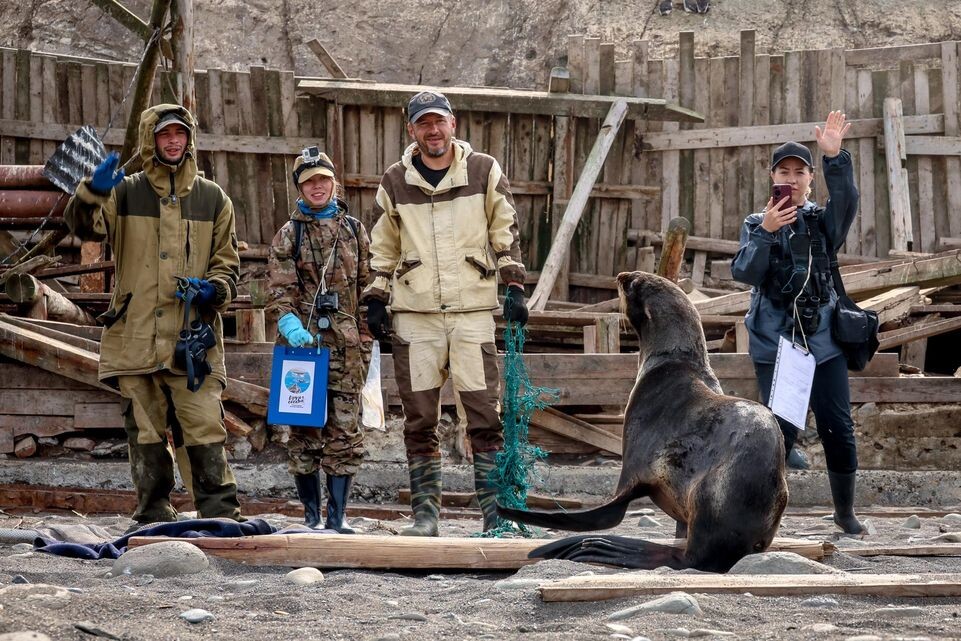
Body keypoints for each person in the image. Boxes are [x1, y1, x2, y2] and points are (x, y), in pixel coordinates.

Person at [64, 104, 243, 525]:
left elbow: (227, 265)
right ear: (151, 140)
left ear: (190, 139)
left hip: (192, 340)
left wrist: (213, 289)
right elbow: (84, 227)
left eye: (180, 133)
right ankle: (153, 515)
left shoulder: (213, 198)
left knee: (204, 424)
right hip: (136, 337)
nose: (173, 141)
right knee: (144, 433)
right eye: (164, 134)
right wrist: (91, 192)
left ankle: (219, 515)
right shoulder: (125, 193)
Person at [362, 90, 529, 536]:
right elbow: (382, 245)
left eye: (439, 121)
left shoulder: (483, 170)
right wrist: (376, 297)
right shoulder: (394, 180)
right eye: (423, 124)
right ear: (411, 130)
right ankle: (426, 518)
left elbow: (506, 229)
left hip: (472, 312)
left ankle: (497, 516)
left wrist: (514, 285)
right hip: (415, 316)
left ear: (453, 124)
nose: (433, 131)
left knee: (485, 415)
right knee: (419, 419)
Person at [731, 110, 864, 534]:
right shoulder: (756, 223)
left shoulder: (823, 222)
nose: (791, 179)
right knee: (778, 433)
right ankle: (756, 517)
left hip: (824, 339)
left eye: (799, 172)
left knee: (838, 427)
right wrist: (767, 231)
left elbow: (847, 203)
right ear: (772, 177)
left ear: (810, 179)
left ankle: (845, 513)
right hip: (776, 341)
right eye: (783, 172)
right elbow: (745, 273)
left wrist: (835, 158)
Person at [265, 148, 372, 533]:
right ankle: (311, 517)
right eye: (309, 181)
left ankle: (337, 519)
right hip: (303, 349)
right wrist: (289, 322)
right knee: (304, 433)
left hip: (347, 348)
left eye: (323, 179)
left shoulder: (354, 231)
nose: (317, 186)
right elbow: (279, 291)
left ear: (334, 182)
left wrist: (366, 334)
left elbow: (368, 287)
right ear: (299, 186)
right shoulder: (288, 234)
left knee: (345, 432)